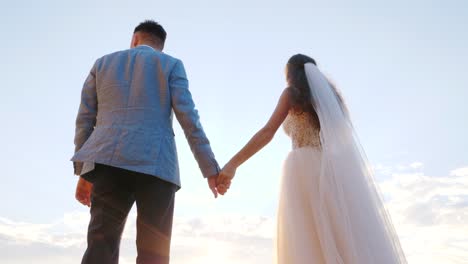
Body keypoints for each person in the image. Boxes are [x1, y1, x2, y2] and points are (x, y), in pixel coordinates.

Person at [217, 54, 407, 263]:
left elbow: (267, 132)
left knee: (304, 237)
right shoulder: (328, 99)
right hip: (329, 170)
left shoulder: (291, 94)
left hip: (302, 168)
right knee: (337, 235)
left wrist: (233, 164)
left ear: (290, 74)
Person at [71, 20, 220, 264]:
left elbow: (85, 119)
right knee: (154, 253)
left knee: (100, 248)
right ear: (160, 45)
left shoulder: (102, 64)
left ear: (134, 39)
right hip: (157, 167)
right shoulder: (171, 65)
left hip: (108, 162)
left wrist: (83, 172)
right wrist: (210, 170)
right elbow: (189, 118)